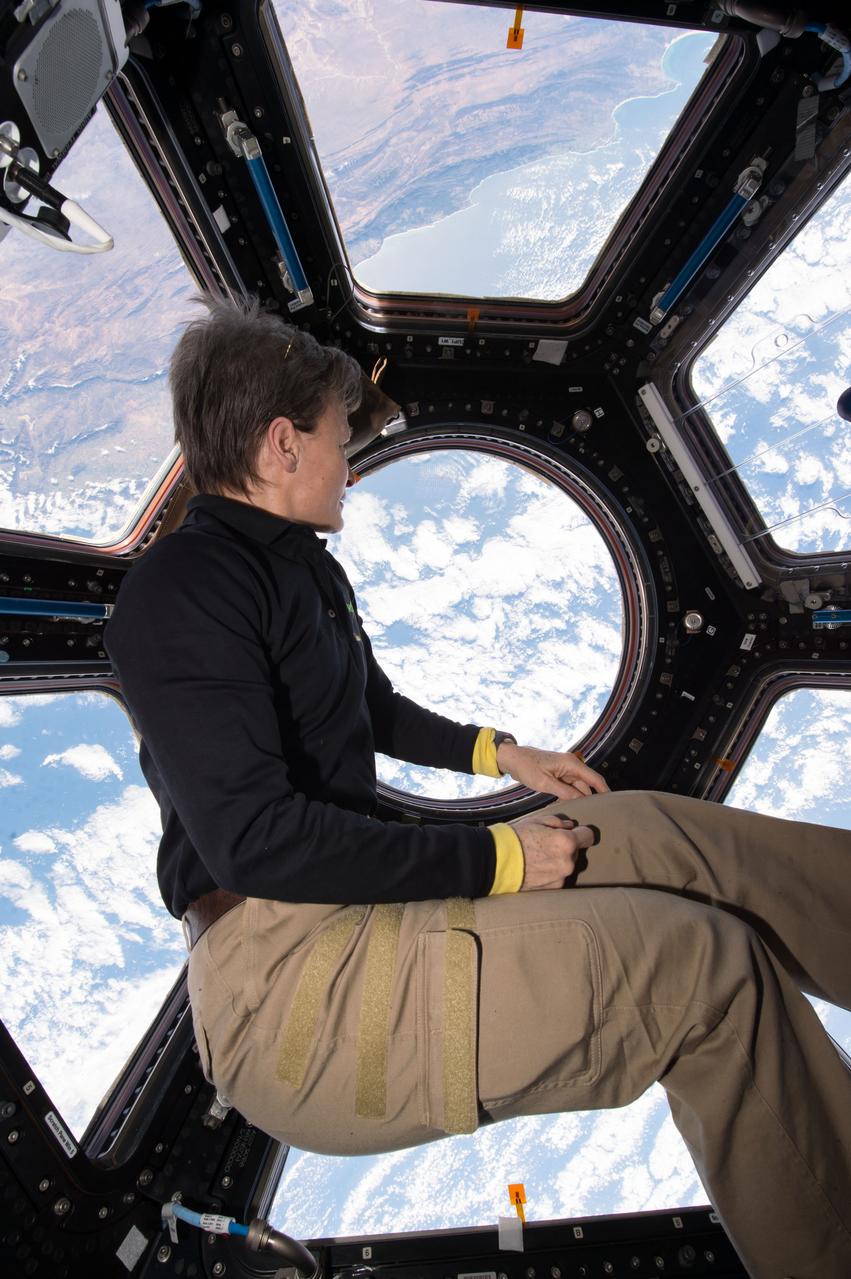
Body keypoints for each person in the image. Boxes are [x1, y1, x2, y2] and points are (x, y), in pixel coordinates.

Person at [105, 297, 851, 1279]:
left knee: (654, 836)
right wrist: (496, 855)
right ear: (282, 446)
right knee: (700, 971)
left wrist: (504, 756)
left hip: (347, 920)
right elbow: (258, 842)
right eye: (336, 439)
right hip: (293, 998)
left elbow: (367, 707)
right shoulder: (180, 592)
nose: (348, 468)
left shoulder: (293, 576)